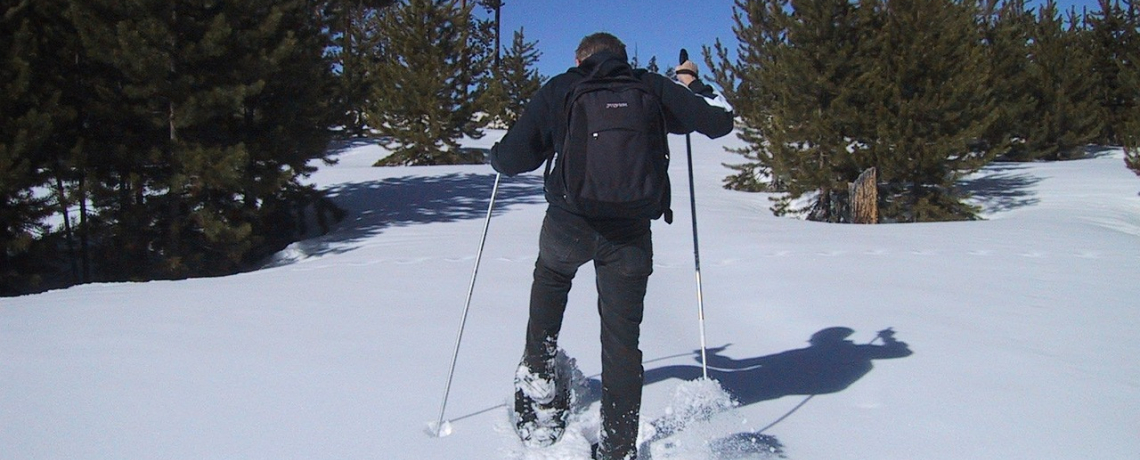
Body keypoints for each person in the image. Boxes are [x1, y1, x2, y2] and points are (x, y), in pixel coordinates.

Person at [490, 32, 734, 460]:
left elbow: (514, 159)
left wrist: (494, 155)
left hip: (569, 224)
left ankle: (540, 380)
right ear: (623, 57)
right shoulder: (651, 87)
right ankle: (618, 446)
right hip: (630, 233)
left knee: (550, 277)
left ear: (580, 58)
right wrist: (691, 85)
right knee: (622, 342)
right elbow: (719, 121)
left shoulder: (563, 87)